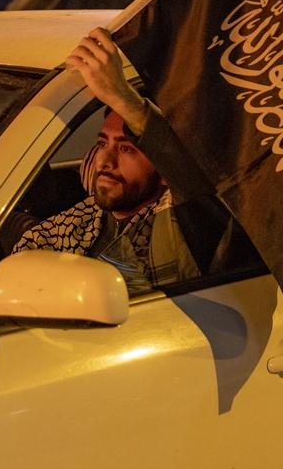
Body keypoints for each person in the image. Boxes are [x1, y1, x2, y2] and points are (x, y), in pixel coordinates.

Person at [13, 28, 251, 293]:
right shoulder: (71, 226)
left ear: (163, 168)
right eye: (103, 143)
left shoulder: (184, 221)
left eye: (127, 149)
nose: (106, 161)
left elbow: (190, 177)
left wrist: (122, 96)